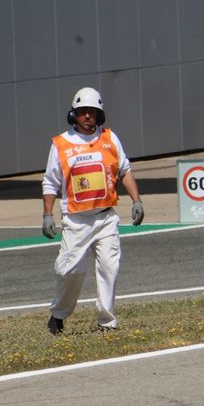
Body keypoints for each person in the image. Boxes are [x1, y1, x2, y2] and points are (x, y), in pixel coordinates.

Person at [41, 87, 144, 334]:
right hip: (76, 220)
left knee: (110, 268)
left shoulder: (110, 138)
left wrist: (136, 200)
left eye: (92, 112)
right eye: (82, 112)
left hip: (106, 217)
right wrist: (47, 214)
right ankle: (58, 315)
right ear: (73, 115)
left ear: (100, 115)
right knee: (69, 270)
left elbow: (124, 170)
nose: (87, 116)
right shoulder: (61, 144)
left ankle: (107, 322)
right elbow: (50, 182)